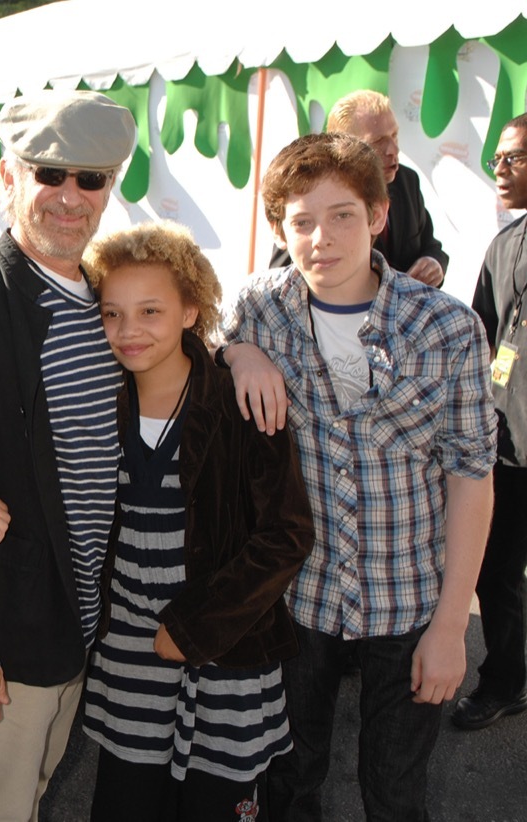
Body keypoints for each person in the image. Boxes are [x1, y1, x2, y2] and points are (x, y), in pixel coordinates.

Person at [221, 132, 496, 821]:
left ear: (378, 215)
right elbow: (207, 333)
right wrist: (238, 352)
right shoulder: (261, 307)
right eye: (302, 221)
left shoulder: (447, 329)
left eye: (343, 214)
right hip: (301, 600)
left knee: (395, 790)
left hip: (409, 600)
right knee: (290, 777)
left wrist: (451, 630)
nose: (322, 238)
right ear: (280, 227)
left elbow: (471, 477)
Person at [0, 89, 135, 821]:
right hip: (11, 637)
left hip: (81, 621)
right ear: (6, 176)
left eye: (90, 179)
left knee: (36, 792)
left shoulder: (108, 300)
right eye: (48, 174)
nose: (69, 197)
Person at [81, 222, 314, 821]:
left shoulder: (244, 403)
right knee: (124, 803)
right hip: (130, 650)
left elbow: (287, 533)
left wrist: (197, 627)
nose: (129, 331)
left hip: (227, 651)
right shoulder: (101, 401)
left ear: (191, 310)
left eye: (151, 311)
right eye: (113, 314)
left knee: (214, 805)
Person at [456, 113, 527, 731]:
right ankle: (505, 680)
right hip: (508, 444)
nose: (500, 170)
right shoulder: (503, 245)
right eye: (497, 158)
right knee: (496, 570)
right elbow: (483, 337)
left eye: (515, 158)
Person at [269, 90, 448, 286]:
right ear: (344, 147)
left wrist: (434, 263)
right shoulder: (312, 195)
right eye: (378, 142)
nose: (393, 150)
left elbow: (430, 245)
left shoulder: (407, 181)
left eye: (394, 136)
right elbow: (282, 277)